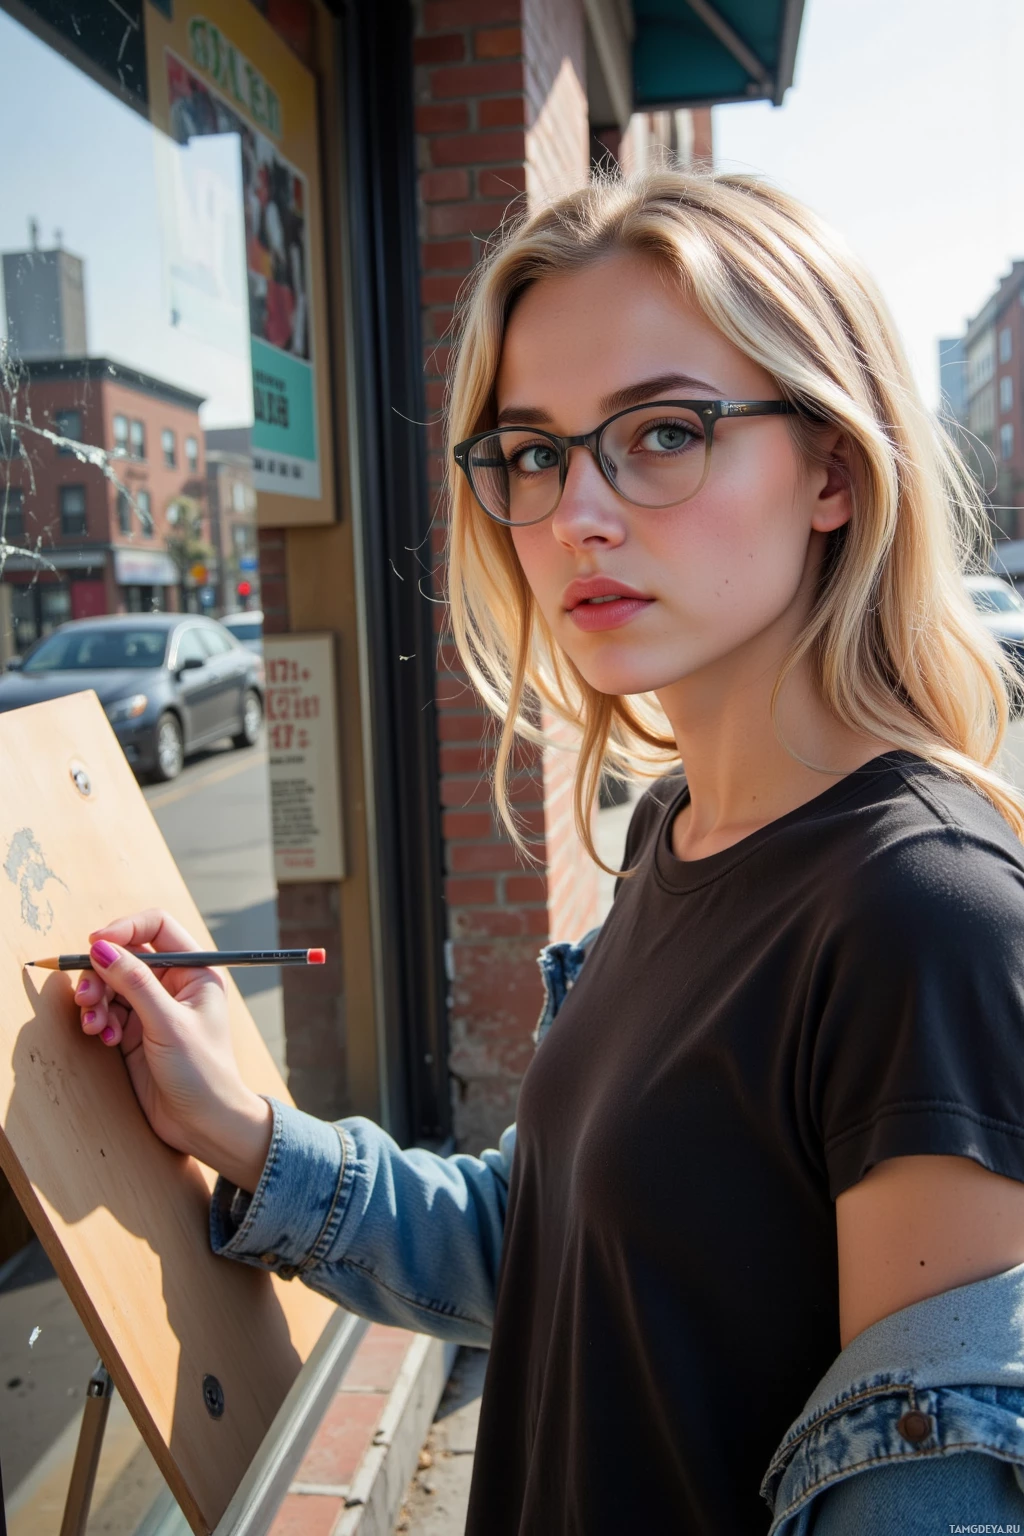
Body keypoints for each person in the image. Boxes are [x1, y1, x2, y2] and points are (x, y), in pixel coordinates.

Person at [72, 171, 1024, 1533]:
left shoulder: (920, 916)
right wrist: (238, 1128)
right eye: (532, 452)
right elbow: (554, 1252)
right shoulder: (672, 832)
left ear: (830, 465)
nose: (577, 512)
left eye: (662, 432)